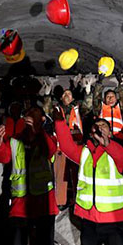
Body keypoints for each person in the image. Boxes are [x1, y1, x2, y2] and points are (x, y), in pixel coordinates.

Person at [55, 112, 123, 245]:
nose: (100, 128)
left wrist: (107, 143)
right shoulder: (84, 152)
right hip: (89, 219)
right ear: (91, 133)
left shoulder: (116, 152)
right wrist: (60, 122)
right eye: (97, 127)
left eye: (104, 126)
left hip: (114, 220)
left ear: (110, 132)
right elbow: (66, 146)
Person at [0, 107, 58, 245]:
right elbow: (2, 156)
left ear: (41, 120)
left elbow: (51, 150)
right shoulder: (15, 140)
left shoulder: (46, 138)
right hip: (20, 204)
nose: (29, 119)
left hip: (44, 203)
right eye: (28, 116)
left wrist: (39, 131)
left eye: (34, 116)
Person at [41, 76, 91, 207]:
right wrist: (47, 94)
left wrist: (88, 90)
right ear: (61, 98)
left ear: (73, 98)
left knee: (77, 174)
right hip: (60, 147)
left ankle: (78, 200)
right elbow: (46, 111)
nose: (66, 95)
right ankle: (61, 202)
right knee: (60, 175)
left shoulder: (78, 108)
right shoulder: (57, 109)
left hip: (77, 145)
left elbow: (89, 106)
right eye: (64, 94)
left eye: (69, 93)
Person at [90, 74, 123, 143]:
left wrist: (121, 83)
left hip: (118, 139)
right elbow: (96, 98)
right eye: (108, 97)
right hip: (103, 138)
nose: (110, 98)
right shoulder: (100, 108)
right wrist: (99, 83)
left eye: (112, 96)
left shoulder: (120, 108)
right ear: (104, 99)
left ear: (116, 99)